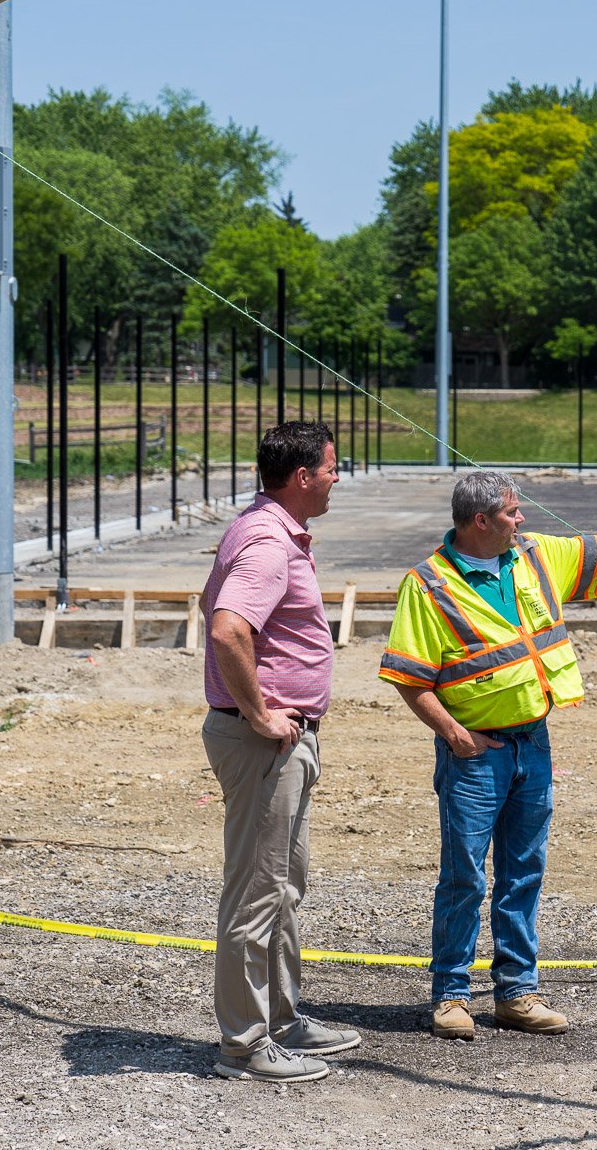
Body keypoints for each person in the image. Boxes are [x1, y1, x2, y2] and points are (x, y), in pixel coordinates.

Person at [379, 471, 597, 1041]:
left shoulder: (531, 556)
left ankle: (516, 994)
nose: (523, 520)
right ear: (481, 521)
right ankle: (451, 996)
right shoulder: (428, 586)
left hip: (533, 743)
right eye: (513, 512)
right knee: (465, 877)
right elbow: (408, 677)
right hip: (475, 753)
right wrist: (455, 735)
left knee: (523, 871)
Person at [201, 421, 360, 1083]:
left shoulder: (261, 528)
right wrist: (261, 711)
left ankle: (283, 1017)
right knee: (257, 893)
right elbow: (227, 627)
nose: (335, 477)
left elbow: (209, 605)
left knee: (284, 884)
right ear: (302, 477)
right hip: (263, 740)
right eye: (330, 467)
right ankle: (244, 1045)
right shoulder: (268, 541)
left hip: (277, 740)